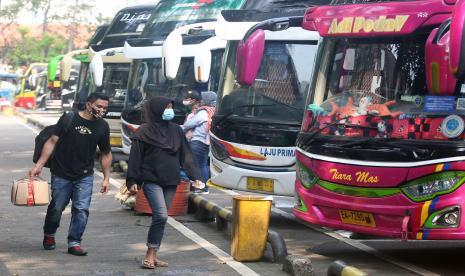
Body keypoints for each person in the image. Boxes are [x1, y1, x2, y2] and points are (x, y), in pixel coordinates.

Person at [29, 92, 112, 256]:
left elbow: (106, 153)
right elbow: (52, 141)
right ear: (88, 105)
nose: (102, 110)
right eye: (99, 106)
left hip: (84, 175)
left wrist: (106, 178)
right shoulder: (69, 118)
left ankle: (74, 242)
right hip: (61, 172)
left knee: (81, 209)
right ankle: (49, 234)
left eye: (105, 108)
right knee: (57, 207)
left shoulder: (103, 126)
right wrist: (39, 165)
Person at [126, 96, 203, 269]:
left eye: (170, 106)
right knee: (160, 215)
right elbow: (135, 158)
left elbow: (186, 154)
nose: (169, 110)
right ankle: (149, 253)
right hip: (151, 179)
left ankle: (154, 254)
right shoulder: (143, 131)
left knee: (161, 218)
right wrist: (132, 180)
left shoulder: (176, 130)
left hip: (170, 180)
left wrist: (195, 176)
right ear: (156, 109)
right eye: (166, 107)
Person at [181, 91, 217, 194]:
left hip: (198, 142)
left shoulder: (203, 112)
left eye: (202, 99)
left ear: (206, 100)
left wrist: (181, 129)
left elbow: (189, 124)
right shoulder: (212, 111)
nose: (201, 101)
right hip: (205, 143)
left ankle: (201, 187)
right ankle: (203, 186)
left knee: (197, 166)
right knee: (203, 165)